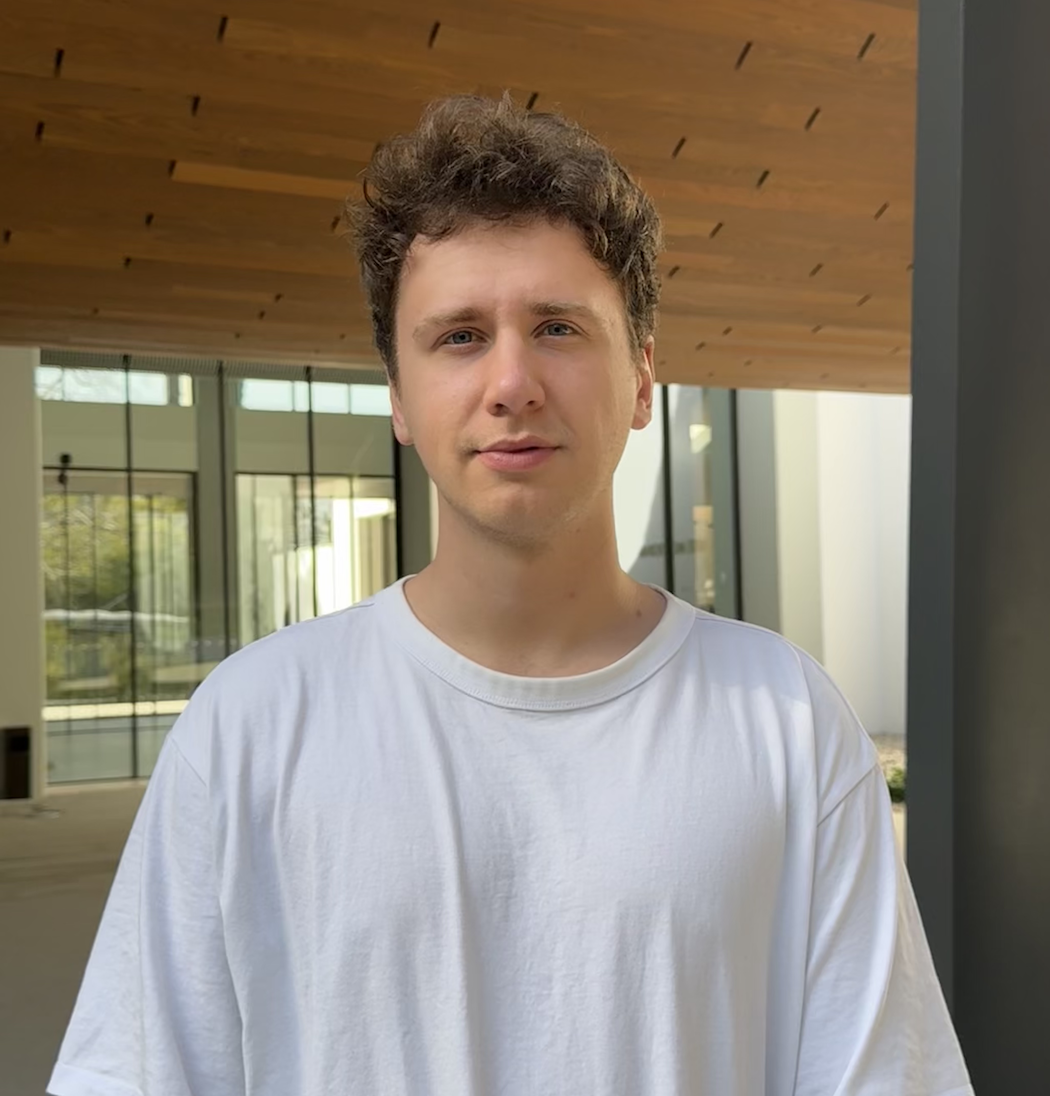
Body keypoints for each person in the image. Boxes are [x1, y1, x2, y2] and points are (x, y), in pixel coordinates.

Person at [49, 95, 973, 1096]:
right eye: (457, 336)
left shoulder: (785, 720)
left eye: (558, 326)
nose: (512, 381)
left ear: (642, 374)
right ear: (397, 396)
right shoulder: (251, 727)